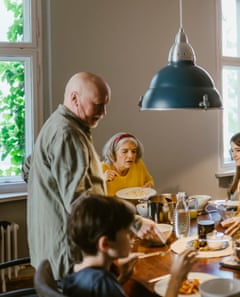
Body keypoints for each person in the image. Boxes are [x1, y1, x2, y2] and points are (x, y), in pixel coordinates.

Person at [24, 72, 160, 280]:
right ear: (74, 98)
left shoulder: (58, 125)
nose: (104, 112)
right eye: (98, 105)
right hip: (67, 251)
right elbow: (82, 204)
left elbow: (28, 168)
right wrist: (134, 222)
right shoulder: (67, 134)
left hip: (52, 250)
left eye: (106, 105)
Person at [63, 194, 197, 297]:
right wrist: (176, 278)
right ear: (105, 244)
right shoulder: (103, 283)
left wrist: (122, 278)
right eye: (128, 233)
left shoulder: (76, 271)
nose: (132, 239)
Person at [102, 132, 155, 196]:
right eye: (124, 151)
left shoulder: (138, 164)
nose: (131, 156)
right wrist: (101, 180)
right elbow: (90, 197)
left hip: (135, 205)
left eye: (134, 151)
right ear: (113, 153)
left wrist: (149, 185)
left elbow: (149, 180)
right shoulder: (101, 169)